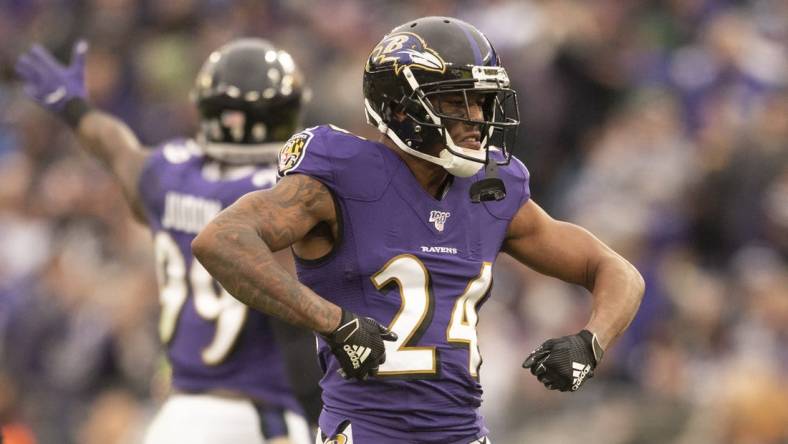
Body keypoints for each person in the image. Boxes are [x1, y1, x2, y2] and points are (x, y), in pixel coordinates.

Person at [192, 16, 645, 444]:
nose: (476, 118)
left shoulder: (492, 188)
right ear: (400, 107)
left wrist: (590, 342)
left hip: (463, 432)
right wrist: (332, 321)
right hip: (367, 430)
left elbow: (616, 271)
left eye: (481, 101)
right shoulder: (341, 174)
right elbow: (222, 240)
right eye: (455, 101)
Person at [15, 38, 322, 444]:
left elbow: (115, 147)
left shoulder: (168, 176)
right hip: (259, 413)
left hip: (177, 417)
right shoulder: (282, 197)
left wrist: (74, 108)